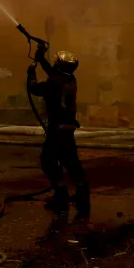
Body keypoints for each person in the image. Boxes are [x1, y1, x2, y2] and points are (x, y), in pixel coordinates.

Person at [28, 45, 89, 220]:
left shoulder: (54, 82)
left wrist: (31, 74)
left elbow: (35, 89)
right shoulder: (70, 79)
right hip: (67, 129)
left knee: (48, 162)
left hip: (57, 130)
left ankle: (61, 197)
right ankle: (83, 197)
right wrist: (41, 60)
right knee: (72, 164)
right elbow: (54, 75)